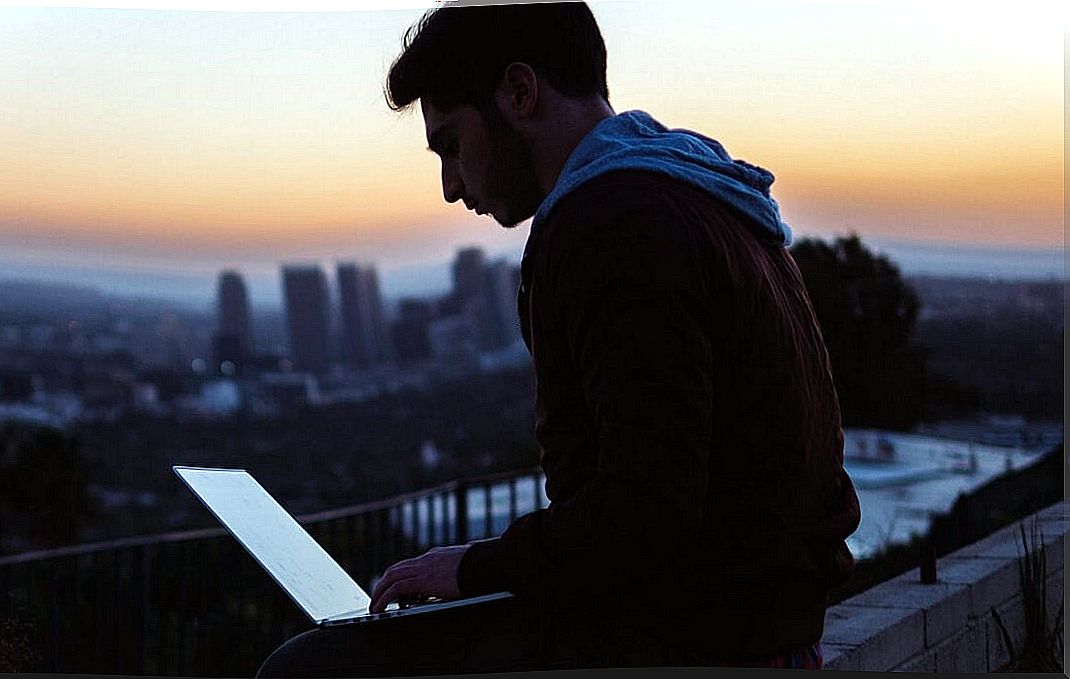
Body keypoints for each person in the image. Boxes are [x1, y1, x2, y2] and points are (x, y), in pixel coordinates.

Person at [257, 2, 860, 675]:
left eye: (451, 144)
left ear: (519, 92)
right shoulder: (708, 195)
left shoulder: (611, 222)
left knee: (306, 668)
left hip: (695, 633)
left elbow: (648, 513)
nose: (451, 186)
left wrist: (478, 566)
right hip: (765, 615)